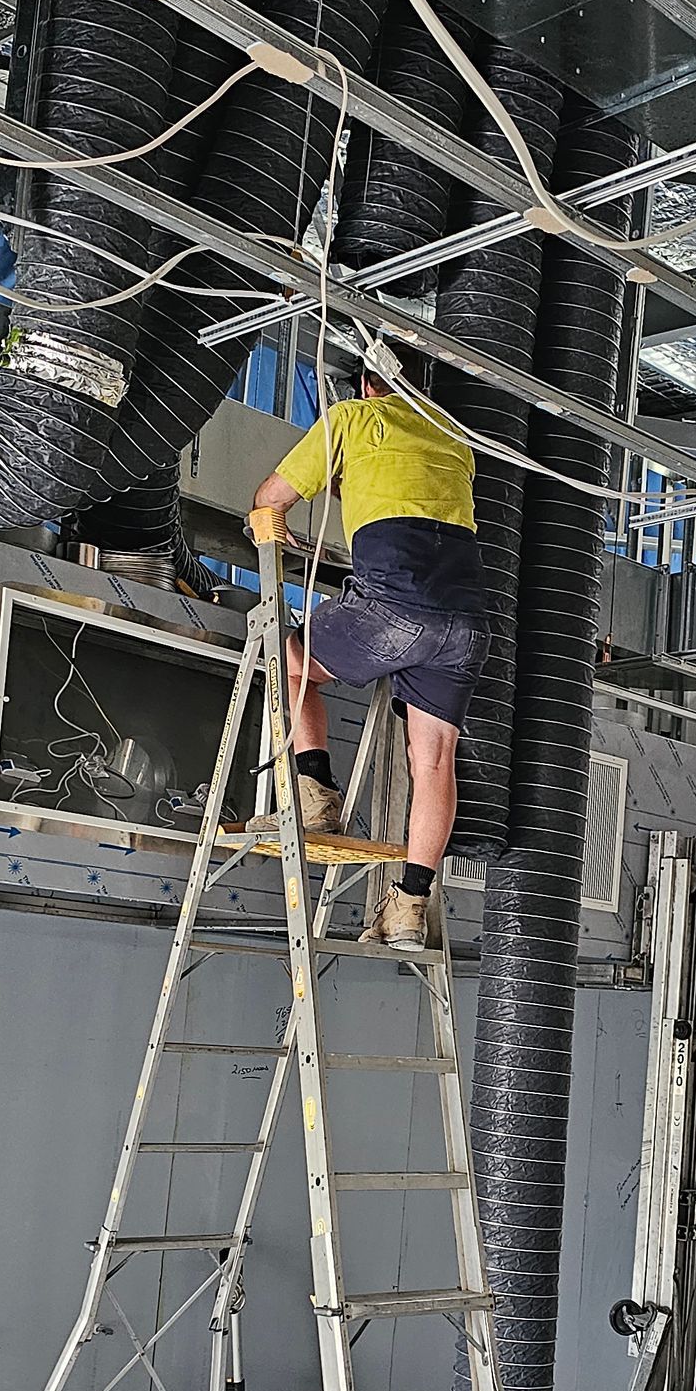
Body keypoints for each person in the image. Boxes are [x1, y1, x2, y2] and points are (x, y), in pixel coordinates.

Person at [252, 342, 488, 951]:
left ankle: (314, 794)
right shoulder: (454, 440)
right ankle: (409, 906)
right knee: (432, 762)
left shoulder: (352, 419)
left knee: (288, 660)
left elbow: (271, 498)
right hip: (464, 626)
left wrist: (268, 527)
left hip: (396, 608)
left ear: (365, 384)